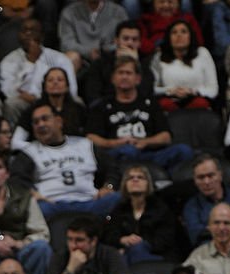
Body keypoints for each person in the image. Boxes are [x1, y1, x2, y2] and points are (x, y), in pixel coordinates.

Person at [85, 56, 192, 186]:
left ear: (138, 79)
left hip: (149, 154)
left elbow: (166, 137)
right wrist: (115, 143)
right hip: (119, 153)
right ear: (113, 78)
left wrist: (144, 142)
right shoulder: (102, 106)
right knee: (128, 151)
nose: (124, 76)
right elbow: (91, 138)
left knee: (183, 150)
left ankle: (168, 187)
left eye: (128, 73)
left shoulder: (151, 104)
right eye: (120, 73)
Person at [16, 105, 120, 221]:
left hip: (89, 201)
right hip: (52, 204)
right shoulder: (29, 152)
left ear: (59, 121)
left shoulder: (85, 145)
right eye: (36, 122)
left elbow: (112, 168)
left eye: (45, 119)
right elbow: (17, 180)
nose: (40, 125)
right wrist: (32, 194)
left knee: (116, 198)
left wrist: (108, 186)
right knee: (34, 209)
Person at [0, 18, 77, 126]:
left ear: (42, 35)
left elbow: (72, 90)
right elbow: (7, 91)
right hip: (24, 103)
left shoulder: (59, 58)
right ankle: (15, 137)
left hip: (56, 100)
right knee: (11, 104)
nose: (28, 34)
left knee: (77, 102)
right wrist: (31, 62)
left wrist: (38, 98)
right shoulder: (9, 60)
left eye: (33, 30)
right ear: (19, 35)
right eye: (24, 30)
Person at [102, 164, 176, 264]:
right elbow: (109, 234)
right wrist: (122, 240)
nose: (135, 180)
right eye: (130, 178)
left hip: (156, 257)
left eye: (140, 177)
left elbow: (165, 239)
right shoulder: (119, 209)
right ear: (125, 184)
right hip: (127, 254)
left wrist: (142, 242)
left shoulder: (161, 209)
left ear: (148, 183)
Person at [44, 217, 126, 274]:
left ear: (93, 241)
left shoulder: (109, 254)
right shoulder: (60, 256)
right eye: (70, 239)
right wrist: (70, 270)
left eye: (79, 240)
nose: (73, 246)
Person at [150, 18, 218, 112]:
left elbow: (213, 90)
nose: (179, 35)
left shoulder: (203, 53)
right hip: (170, 102)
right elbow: (152, 89)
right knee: (164, 105)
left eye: (184, 32)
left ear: (190, 36)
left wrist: (192, 91)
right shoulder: (159, 57)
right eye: (174, 32)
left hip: (196, 100)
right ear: (168, 38)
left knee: (200, 103)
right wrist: (170, 90)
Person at [182, 154, 230, 248]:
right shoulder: (191, 207)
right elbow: (197, 236)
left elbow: (205, 233)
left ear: (220, 175)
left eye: (211, 175)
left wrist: (212, 230)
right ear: (194, 180)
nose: (206, 182)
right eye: (201, 177)